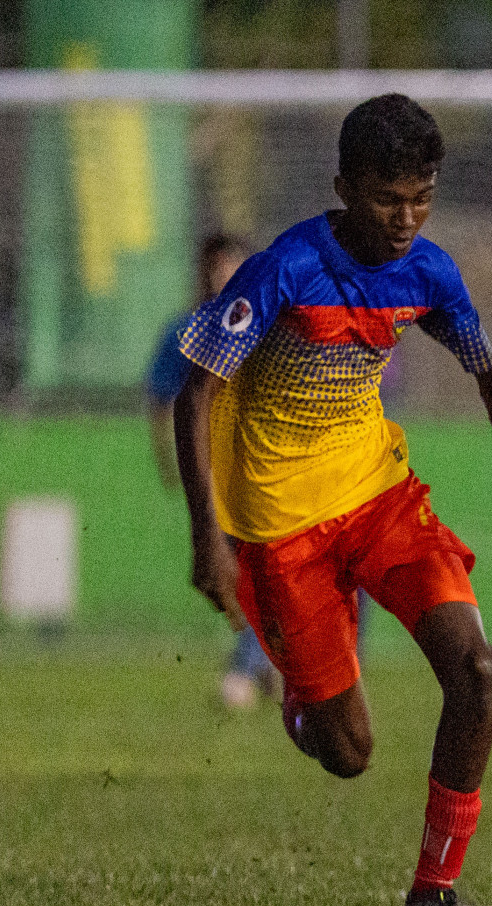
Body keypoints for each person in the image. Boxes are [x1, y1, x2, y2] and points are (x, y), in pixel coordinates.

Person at [172, 94, 492, 906]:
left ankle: (434, 893)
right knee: (348, 755)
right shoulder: (285, 269)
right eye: (388, 199)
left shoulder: (429, 273)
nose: (407, 217)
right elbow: (196, 390)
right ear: (345, 187)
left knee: (478, 675)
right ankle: (301, 704)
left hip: (379, 500)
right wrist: (208, 534)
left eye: (422, 198)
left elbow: (490, 374)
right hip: (279, 531)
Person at [145, 234, 283, 709]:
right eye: (213, 266)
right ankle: (264, 657)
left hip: (260, 467)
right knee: (235, 575)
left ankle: (247, 667)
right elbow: (162, 400)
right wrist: (167, 460)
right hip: (210, 472)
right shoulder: (186, 330)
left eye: (230, 265)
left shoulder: (268, 326)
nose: (220, 275)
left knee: (261, 566)